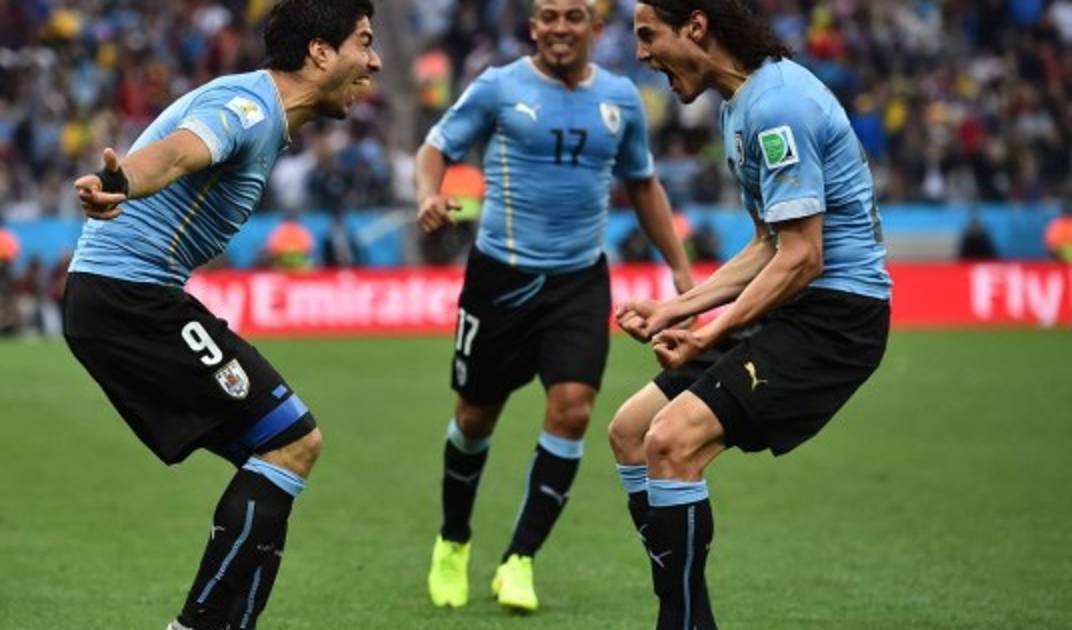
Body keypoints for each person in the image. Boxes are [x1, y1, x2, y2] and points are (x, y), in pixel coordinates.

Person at [62, 2, 380, 629]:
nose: (374, 61)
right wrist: (121, 182)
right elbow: (178, 154)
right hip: (129, 298)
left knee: (280, 452)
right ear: (320, 52)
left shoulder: (262, 113)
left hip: (122, 298)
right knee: (292, 441)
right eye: (364, 42)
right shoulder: (248, 109)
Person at [611, 1, 892, 627]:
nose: (641, 53)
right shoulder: (741, 105)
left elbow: (803, 257)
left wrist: (711, 331)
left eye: (649, 35)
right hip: (795, 302)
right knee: (631, 431)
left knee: (671, 441)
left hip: (837, 316)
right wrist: (673, 309)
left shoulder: (778, 105)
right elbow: (769, 244)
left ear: (696, 26)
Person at [416, 0, 695, 613]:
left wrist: (680, 269)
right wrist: (427, 194)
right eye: (548, 16)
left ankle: (520, 560)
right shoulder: (498, 87)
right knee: (474, 418)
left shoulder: (620, 99)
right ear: (534, 27)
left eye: (573, 16)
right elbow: (435, 147)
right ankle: (453, 540)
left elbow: (643, 184)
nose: (560, 27)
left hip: (579, 281)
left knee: (573, 412)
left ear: (595, 28)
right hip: (501, 279)